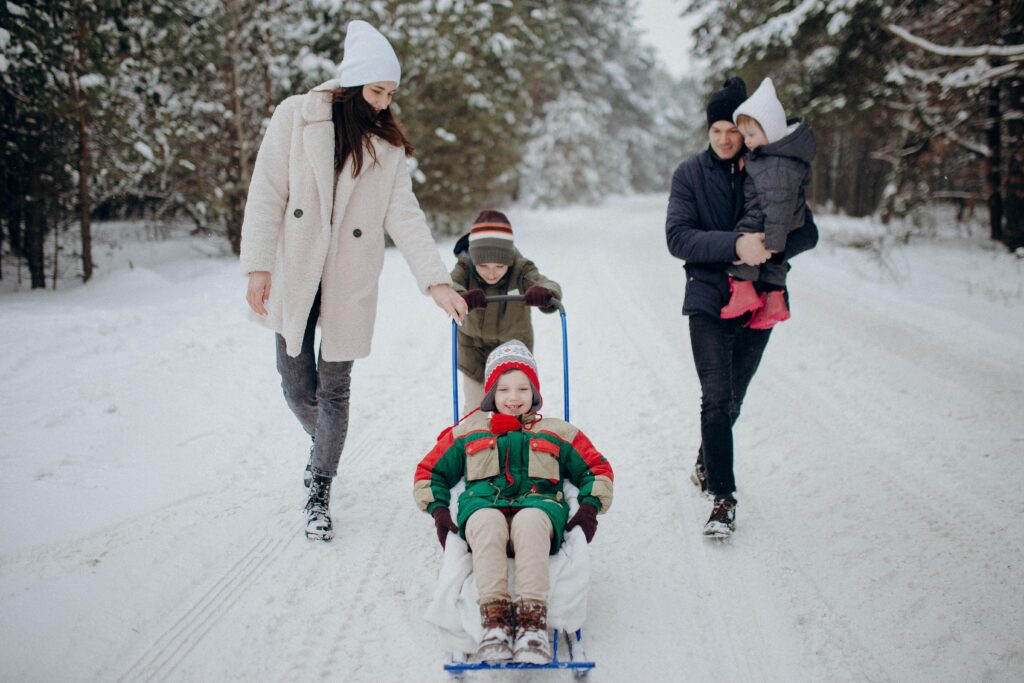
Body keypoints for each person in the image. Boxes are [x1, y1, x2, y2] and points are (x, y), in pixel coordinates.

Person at [240, 20, 467, 542]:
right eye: (378, 91)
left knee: (334, 390)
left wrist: (435, 283)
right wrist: (258, 265)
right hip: (297, 269)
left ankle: (319, 486)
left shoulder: (385, 147)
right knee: (295, 385)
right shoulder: (295, 117)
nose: (386, 104)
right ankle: (325, 443)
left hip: (349, 278)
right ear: (352, 85)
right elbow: (267, 191)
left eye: (391, 93)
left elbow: (405, 216)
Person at [665, 76, 819, 538]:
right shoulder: (689, 174)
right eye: (716, 130)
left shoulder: (770, 166)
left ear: (747, 128)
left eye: (733, 128)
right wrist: (737, 246)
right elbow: (678, 238)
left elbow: (808, 232)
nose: (725, 138)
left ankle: (706, 461)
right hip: (708, 299)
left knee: (732, 401)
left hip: (759, 304)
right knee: (714, 397)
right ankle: (723, 499)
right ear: (708, 132)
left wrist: (770, 248)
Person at [413, 341, 613, 664]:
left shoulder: (556, 432)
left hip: (538, 512)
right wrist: (438, 511)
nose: (514, 397)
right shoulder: (470, 432)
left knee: (529, 520)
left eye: (523, 388)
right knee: (486, 521)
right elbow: (428, 472)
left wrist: (589, 508)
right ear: (491, 394)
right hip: (484, 512)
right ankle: (494, 622)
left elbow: (597, 468)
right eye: (504, 389)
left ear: (534, 393)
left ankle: (532, 623)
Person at [719, 77, 817, 329]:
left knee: (745, 241)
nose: (747, 141)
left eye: (751, 135)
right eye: (745, 135)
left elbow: (778, 205)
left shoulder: (777, 166)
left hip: (769, 220)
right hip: (779, 222)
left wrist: (773, 246)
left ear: (771, 131)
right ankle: (774, 302)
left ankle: (743, 292)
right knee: (775, 266)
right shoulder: (773, 158)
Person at [450, 209, 562, 415]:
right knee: (476, 411)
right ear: (474, 258)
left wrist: (546, 292)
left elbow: (545, 282)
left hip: (513, 352)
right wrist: (460, 296)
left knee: (515, 407)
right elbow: (450, 286)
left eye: (499, 266)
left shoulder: (521, 269)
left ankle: (518, 444)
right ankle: (476, 442)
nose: (491, 273)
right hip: (474, 351)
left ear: (509, 260)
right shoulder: (465, 267)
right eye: (483, 265)